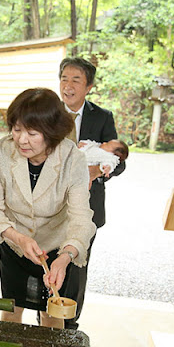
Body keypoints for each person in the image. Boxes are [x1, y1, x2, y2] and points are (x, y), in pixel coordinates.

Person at [0, 88, 96, 329]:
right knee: (11, 310)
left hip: (55, 248)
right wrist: (17, 238)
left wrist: (65, 257)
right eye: (17, 129)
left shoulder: (72, 159)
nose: (22, 140)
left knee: (52, 316)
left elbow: (82, 218)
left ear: (52, 133)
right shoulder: (3, 151)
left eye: (32, 133)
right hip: (15, 245)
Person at [58, 57, 126, 328]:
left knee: (76, 264)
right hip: (51, 202)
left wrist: (97, 171)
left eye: (76, 80)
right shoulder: (48, 111)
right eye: (64, 78)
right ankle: (45, 318)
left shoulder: (102, 117)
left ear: (89, 87)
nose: (68, 85)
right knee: (48, 260)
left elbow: (119, 162)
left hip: (86, 205)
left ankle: (69, 324)